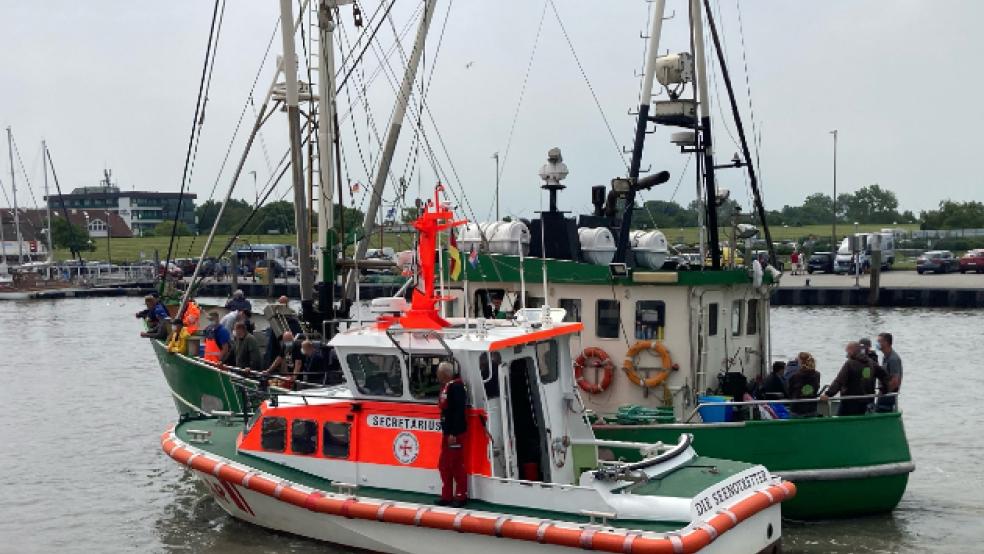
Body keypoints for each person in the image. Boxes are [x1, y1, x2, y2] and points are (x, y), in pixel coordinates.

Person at [820, 341, 889, 416]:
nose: (847, 355)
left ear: (852, 351)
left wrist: (828, 394)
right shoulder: (871, 362)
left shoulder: (849, 364)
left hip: (849, 402)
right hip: (867, 401)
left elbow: (839, 381)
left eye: (847, 352)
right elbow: (884, 375)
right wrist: (884, 389)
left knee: (841, 421)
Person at [436, 361, 468, 507]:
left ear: (445, 374)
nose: (437, 377)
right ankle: (447, 495)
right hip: (447, 433)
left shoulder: (456, 387)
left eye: (439, 374)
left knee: (456, 464)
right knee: (444, 465)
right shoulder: (448, 387)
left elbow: (459, 411)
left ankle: (461, 495)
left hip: (455, 434)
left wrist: (453, 433)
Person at [787, 352, 821, 417]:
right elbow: (816, 388)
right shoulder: (817, 374)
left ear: (800, 362)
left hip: (797, 409)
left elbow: (790, 392)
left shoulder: (794, 376)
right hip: (812, 408)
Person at [876, 332, 903, 412]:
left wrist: (884, 393)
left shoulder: (893, 359)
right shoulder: (885, 357)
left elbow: (895, 381)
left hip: (888, 395)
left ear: (886, 343)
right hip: (884, 394)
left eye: (879, 341)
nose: (877, 343)